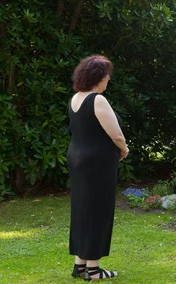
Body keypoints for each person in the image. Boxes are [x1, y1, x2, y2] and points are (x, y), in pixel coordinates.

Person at [67, 55, 129, 281]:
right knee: (99, 211)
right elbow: (116, 134)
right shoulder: (97, 100)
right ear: (97, 77)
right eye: (106, 76)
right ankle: (93, 269)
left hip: (78, 160)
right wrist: (124, 149)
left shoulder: (76, 98)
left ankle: (80, 265)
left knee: (83, 210)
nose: (108, 79)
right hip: (97, 163)